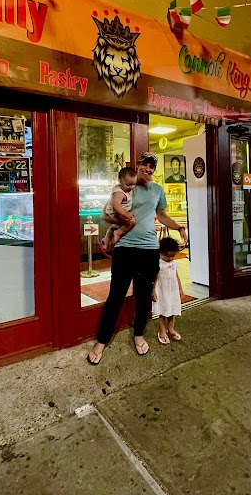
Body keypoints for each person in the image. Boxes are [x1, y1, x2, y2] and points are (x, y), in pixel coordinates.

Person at [87, 153, 187, 365]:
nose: (148, 169)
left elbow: (161, 216)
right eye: (145, 164)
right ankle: (102, 340)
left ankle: (139, 333)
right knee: (116, 296)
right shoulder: (125, 187)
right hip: (124, 249)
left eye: (152, 166)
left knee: (143, 297)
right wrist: (117, 227)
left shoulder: (158, 190)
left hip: (149, 249)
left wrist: (179, 227)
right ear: (138, 165)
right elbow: (105, 214)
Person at [152, 237, 184, 345]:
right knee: (163, 312)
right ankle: (162, 332)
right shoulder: (158, 263)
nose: (170, 258)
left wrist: (180, 289)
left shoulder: (174, 263)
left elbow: (176, 275)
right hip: (162, 290)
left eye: (172, 256)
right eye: (167, 256)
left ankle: (171, 330)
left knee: (173, 311)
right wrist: (153, 291)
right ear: (160, 253)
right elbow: (155, 278)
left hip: (172, 289)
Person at [100, 167, 138, 250]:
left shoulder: (126, 189)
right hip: (116, 212)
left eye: (133, 184)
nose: (131, 187)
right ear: (120, 181)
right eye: (128, 185)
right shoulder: (119, 192)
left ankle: (106, 240)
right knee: (131, 222)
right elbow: (116, 206)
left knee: (115, 226)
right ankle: (118, 233)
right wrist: (125, 214)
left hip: (118, 211)